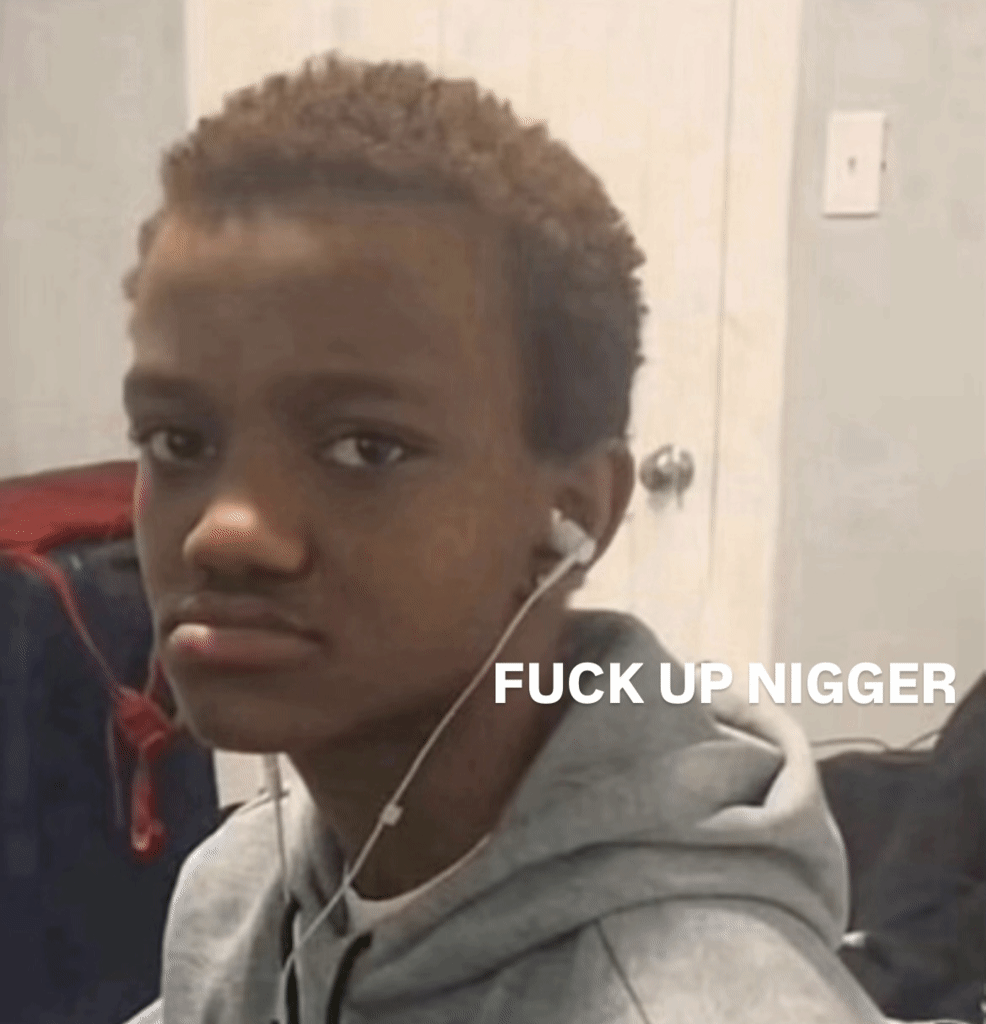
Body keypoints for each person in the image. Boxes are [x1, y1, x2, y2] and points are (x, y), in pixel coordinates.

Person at [120, 54, 884, 1024]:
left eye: (365, 447)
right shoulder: (239, 891)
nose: (225, 532)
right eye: (177, 440)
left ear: (574, 513)